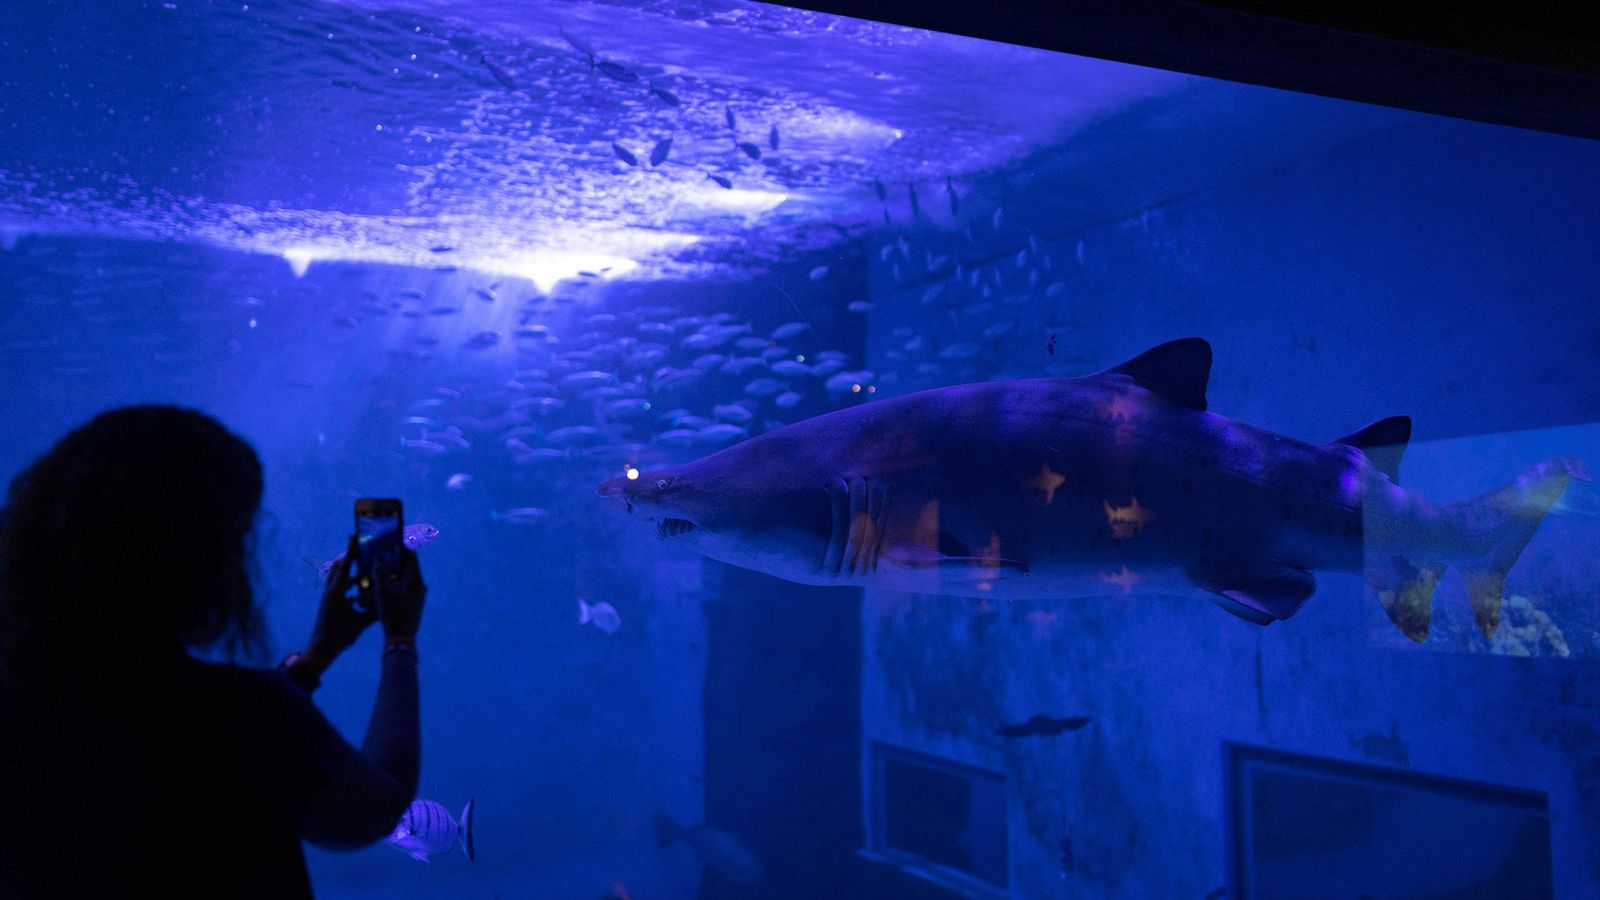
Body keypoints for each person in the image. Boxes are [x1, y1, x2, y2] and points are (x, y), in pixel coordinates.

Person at [0, 405, 426, 898]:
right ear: (194, 557)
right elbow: (372, 811)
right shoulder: (246, 713)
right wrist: (400, 641)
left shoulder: (19, 712)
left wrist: (315, 659)